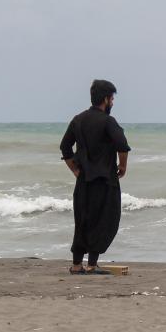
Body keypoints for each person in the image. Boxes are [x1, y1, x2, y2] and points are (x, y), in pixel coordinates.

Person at [59, 79, 131, 274]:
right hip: (105, 181)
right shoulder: (108, 121)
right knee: (104, 221)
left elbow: (65, 147)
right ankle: (91, 265)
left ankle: (76, 265)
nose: (113, 103)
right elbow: (122, 145)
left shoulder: (78, 119)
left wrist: (75, 170)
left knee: (82, 220)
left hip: (84, 181)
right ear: (106, 99)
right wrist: (122, 166)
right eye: (112, 99)